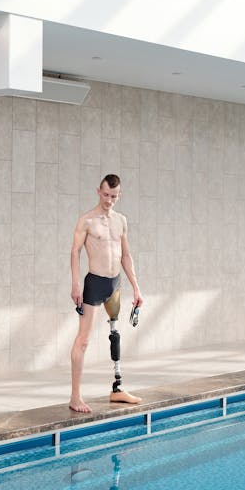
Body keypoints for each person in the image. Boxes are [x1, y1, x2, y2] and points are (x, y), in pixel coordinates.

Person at [69, 174, 143, 413]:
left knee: (115, 333)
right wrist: (75, 284)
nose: (109, 200)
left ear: (118, 195)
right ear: (98, 191)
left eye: (114, 196)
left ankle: (117, 388)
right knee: (83, 340)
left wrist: (136, 287)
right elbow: (74, 252)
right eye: (106, 195)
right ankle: (75, 397)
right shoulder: (87, 220)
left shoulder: (121, 221)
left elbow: (125, 256)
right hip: (94, 284)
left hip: (115, 284)